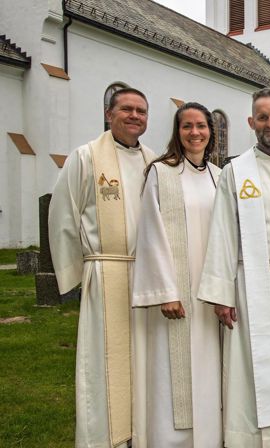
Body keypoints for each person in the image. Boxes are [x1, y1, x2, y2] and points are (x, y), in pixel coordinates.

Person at [197, 87, 270, 447]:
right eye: (262, 117)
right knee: (250, 370)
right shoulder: (236, 172)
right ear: (251, 122)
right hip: (251, 288)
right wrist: (222, 293)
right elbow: (222, 231)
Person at [49, 87, 155, 447]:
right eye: (126, 109)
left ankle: (140, 433)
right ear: (109, 114)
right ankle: (102, 437)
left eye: (141, 111)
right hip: (105, 272)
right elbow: (63, 215)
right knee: (102, 364)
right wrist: (75, 277)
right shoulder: (86, 157)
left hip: (146, 275)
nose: (134, 116)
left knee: (143, 360)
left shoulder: (153, 161)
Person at [132, 102, 223, 447]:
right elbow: (150, 232)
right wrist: (166, 291)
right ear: (177, 132)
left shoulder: (218, 176)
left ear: (210, 133)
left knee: (211, 370)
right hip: (178, 294)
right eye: (187, 126)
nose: (195, 132)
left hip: (210, 291)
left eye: (201, 126)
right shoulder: (161, 172)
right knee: (175, 374)